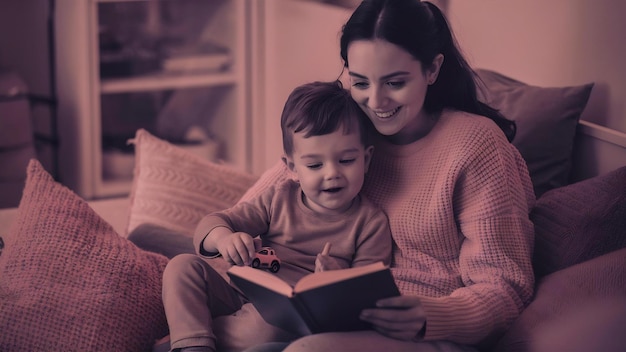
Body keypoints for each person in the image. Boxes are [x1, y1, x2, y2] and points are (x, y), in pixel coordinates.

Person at [239, 1, 536, 351]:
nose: (376, 102)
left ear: (432, 69)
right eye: (360, 82)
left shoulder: (476, 146)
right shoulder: (349, 130)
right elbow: (253, 208)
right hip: (335, 318)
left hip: (430, 332)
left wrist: (434, 314)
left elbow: (506, 285)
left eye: (394, 82)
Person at [161, 80, 393, 352]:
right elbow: (210, 225)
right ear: (292, 167)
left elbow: (367, 298)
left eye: (346, 161)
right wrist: (224, 239)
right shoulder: (278, 198)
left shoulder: (370, 223)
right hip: (240, 292)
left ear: (366, 160)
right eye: (315, 164)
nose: (332, 173)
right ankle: (194, 346)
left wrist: (337, 282)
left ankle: (192, 336)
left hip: (288, 321)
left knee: (262, 331)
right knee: (181, 267)